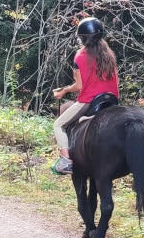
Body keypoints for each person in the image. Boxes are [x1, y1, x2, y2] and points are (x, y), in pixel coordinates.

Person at [51, 17, 119, 175]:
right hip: (110, 100)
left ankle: (65, 161)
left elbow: (80, 86)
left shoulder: (80, 56)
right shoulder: (109, 54)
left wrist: (64, 90)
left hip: (90, 101)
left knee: (58, 125)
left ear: (82, 38)